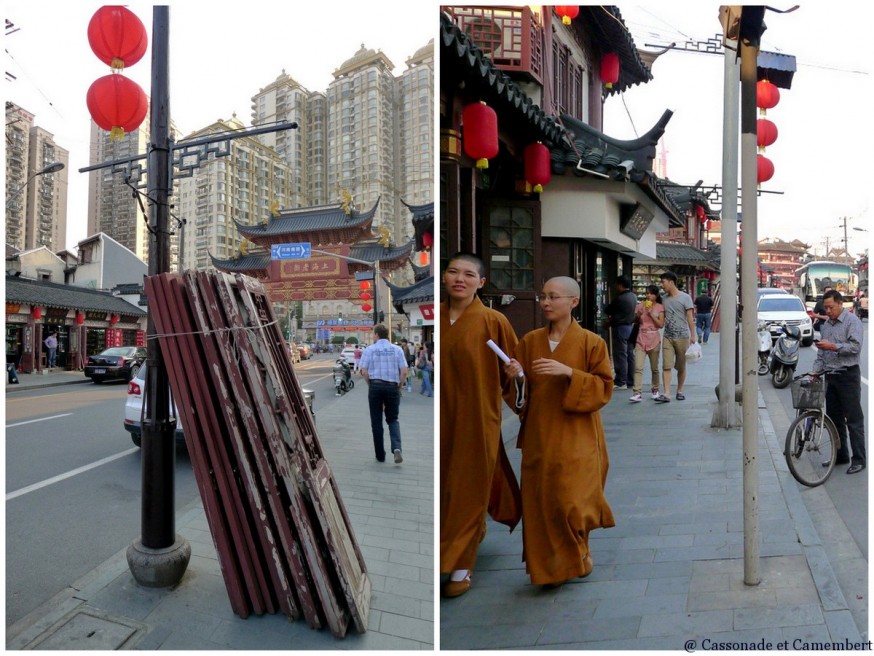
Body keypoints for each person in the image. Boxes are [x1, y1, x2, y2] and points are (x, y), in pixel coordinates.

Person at [503, 276, 615, 587]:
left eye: (554, 297)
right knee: (542, 502)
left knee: (572, 501)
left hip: (579, 435)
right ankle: (552, 568)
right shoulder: (529, 342)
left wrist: (569, 373)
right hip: (540, 434)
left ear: (573, 302)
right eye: (543, 297)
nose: (546, 303)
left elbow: (605, 388)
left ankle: (579, 550)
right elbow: (517, 395)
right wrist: (518, 379)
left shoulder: (592, 342)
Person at [440, 253, 521, 599]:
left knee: (468, 487)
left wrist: (516, 375)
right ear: (444, 277)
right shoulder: (437, 318)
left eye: (469, 274)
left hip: (478, 420)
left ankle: (460, 563)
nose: (460, 278)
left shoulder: (493, 321)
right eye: (453, 271)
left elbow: (516, 374)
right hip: (440, 418)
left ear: (481, 282)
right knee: (444, 487)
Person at [812, 289, 866, 475]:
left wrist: (834, 347)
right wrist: (815, 371)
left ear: (840, 304)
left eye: (831, 307)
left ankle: (859, 459)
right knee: (834, 420)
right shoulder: (826, 325)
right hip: (831, 376)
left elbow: (855, 347)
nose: (828, 311)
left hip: (848, 376)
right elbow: (822, 353)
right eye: (825, 307)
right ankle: (841, 454)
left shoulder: (853, 322)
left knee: (853, 419)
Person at [358, 324, 408, 465]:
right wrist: (398, 385)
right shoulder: (397, 350)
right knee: (393, 419)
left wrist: (370, 384)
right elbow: (404, 371)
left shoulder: (370, 349)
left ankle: (380, 455)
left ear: (376, 335)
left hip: (375, 385)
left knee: (376, 420)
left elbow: (364, 371)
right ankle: (397, 448)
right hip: (392, 386)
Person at [656, 271, 696, 403]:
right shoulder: (663, 299)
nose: (662, 285)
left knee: (681, 366)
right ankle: (666, 393)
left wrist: (693, 335)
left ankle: (679, 390)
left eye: (663, 282)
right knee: (666, 365)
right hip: (667, 336)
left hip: (682, 336)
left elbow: (690, 318)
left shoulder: (685, 298)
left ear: (671, 282)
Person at [629, 285, 665, 402]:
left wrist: (651, 314)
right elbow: (635, 321)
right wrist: (638, 315)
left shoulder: (660, 307)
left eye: (651, 293)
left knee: (654, 368)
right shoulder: (640, 305)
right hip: (641, 337)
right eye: (647, 293)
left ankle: (655, 389)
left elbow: (660, 324)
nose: (648, 295)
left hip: (653, 337)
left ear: (656, 295)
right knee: (638, 367)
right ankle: (637, 392)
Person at [604, 276, 637, 390]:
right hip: (630, 327)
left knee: (620, 354)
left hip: (620, 327)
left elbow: (608, 309)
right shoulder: (633, 296)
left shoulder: (620, 298)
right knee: (630, 354)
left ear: (620, 285)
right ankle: (630, 380)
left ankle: (620, 380)